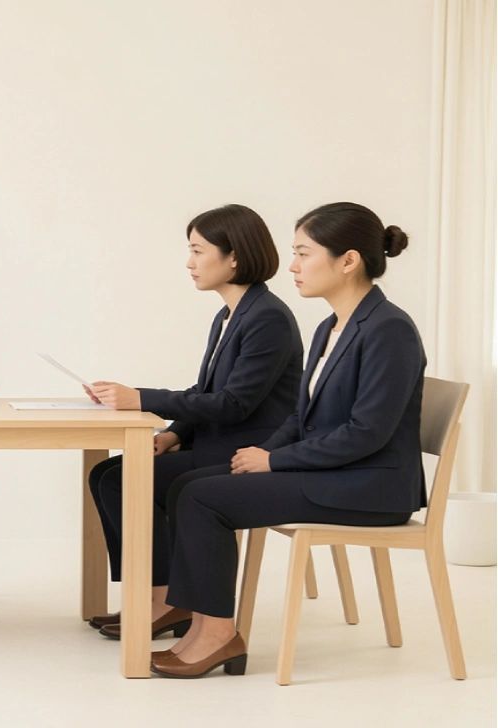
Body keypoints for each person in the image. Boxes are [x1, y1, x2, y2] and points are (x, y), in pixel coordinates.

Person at [153, 202, 424, 678]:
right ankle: (202, 626)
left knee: (202, 498)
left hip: (371, 486)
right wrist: (266, 452)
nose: (293, 266)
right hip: (336, 472)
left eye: (304, 253)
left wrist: (276, 463)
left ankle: (217, 635)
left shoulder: (389, 330)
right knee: (185, 486)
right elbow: (302, 415)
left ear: (348, 260)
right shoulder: (330, 326)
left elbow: (368, 432)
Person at [84, 205, 303, 640]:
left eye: (198, 251)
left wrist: (140, 398)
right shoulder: (229, 315)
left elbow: (234, 403)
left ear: (234, 257)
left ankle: (165, 601)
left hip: (245, 451)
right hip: (214, 441)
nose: (190, 262)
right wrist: (172, 433)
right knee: (107, 474)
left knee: (123, 480)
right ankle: (158, 597)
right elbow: (206, 389)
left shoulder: (268, 318)